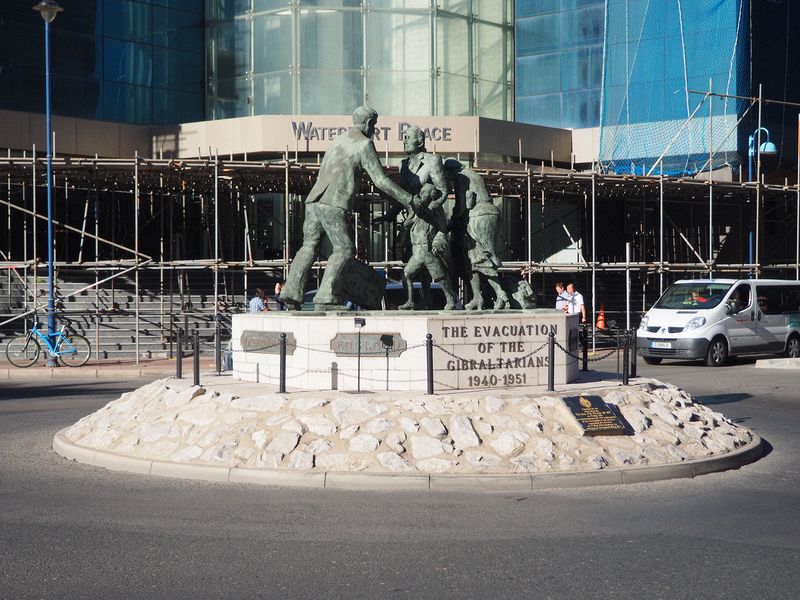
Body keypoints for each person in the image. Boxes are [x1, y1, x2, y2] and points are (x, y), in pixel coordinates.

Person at [279, 106, 417, 311]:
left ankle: (291, 293)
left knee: (309, 246)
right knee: (344, 249)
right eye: (375, 126)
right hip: (334, 203)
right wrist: (409, 200)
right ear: (370, 124)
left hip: (314, 201)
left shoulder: (338, 140)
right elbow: (380, 180)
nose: (375, 130)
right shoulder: (364, 144)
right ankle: (326, 297)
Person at [399, 184, 456, 310]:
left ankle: (450, 299)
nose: (426, 196)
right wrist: (409, 222)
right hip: (417, 251)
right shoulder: (415, 211)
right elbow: (406, 226)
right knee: (406, 274)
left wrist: (437, 243)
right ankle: (410, 301)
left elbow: (442, 230)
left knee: (440, 276)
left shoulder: (436, 210)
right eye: (425, 193)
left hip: (428, 250)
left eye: (429, 194)